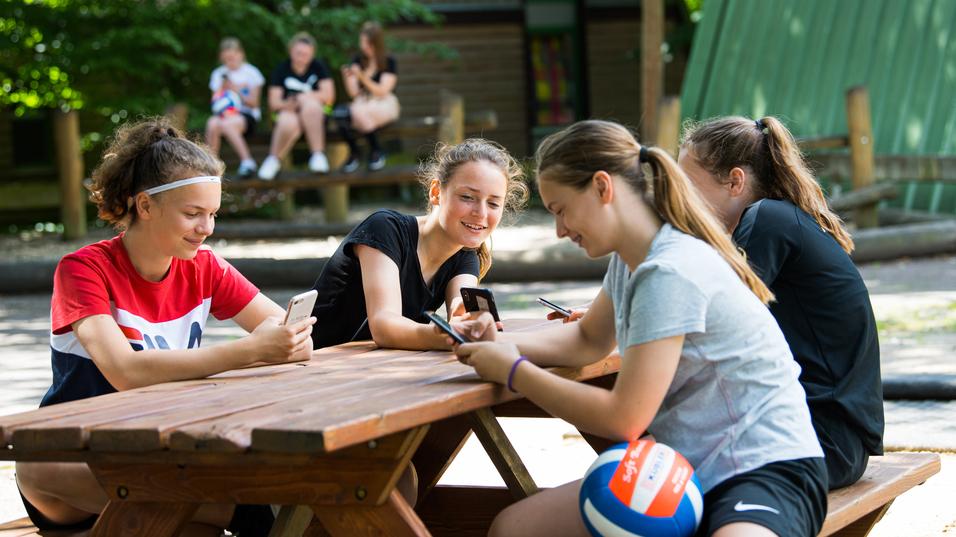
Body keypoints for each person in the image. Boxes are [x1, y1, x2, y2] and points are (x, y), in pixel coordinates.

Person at [448, 120, 827, 537]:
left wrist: (514, 371)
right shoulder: (631, 258)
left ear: (602, 187)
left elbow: (624, 419)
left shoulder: (669, 269)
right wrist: (500, 342)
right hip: (683, 468)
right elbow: (587, 339)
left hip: (764, 468)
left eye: (561, 210)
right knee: (513, 528)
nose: (559, 230)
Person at [15, 118, 315, 537]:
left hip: (160, 456)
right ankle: (252, 516)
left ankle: (247, 513)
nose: (207, 228)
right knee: (36, 465)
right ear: (145, 206)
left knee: (190, 520)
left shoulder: (205, 266)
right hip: (76, 464)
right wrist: (252, 351)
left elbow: (289, 336)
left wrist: (286, 341)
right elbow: (125, 372)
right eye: (192, 214)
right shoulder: (83, 270)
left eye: (212, 214)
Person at [678, 115, 883, 489]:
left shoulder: (768, 220)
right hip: (821, 437)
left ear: (735, 181)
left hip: (822, 441)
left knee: (663, 472)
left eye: (687, 186)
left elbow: (711, 317)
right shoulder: (776, 218)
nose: (679, 199)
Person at [309, 138, 528, 351]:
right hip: (309, 363)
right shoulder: (385, 229)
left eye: (493, 203)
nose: (481, 213)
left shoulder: (466, 255)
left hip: (367, 367)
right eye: (467, 197)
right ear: (436, 192)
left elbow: (463, 309)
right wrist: (447, 336)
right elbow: (384, 326)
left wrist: (470, 322)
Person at [258, 32, 335, 180]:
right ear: (291, 51)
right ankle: (273, 159)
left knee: (310, 106)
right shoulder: (281, 69)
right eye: (298, 53)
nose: (301, 58)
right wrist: (290, 104)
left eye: (306, 54)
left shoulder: (319, 67)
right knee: (288, 122)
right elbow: (273, 103)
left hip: (315, 115)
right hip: (289, 112)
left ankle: (317, 154)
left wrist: (304, 98)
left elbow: (329, 96)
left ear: (312, 54)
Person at [334, 21, 400, 173]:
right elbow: (354, 93)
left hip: (383, 103)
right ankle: (358, 151)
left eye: (367, 43)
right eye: (362, 42)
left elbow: (382, 91)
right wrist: (347, 78)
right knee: (341, 114)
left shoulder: (389, 61)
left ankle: (373, 151)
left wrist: (362, 77)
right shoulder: (358, 60)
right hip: (362, 102)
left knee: (357, 113)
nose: (364, 46)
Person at [205, 37, 265, 178]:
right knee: (212, 123)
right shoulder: (218, 74)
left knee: (227, 124)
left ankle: (247, 162)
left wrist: (235, 90)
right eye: (226, 59)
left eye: (232, 58)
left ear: (241, 54)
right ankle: (210, 166)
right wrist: (222, 95)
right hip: (224, 114)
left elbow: (255, 103)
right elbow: (215, 102)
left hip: (246, 115)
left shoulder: (252, 72)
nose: (230, 62)